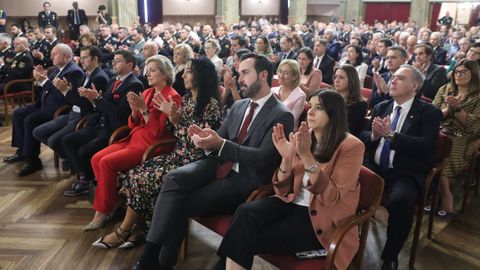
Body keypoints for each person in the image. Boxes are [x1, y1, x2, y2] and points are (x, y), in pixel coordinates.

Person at [132, 53, 294, 270]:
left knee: (180, 204)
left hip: (245, 179)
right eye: (239, 73)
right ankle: (152, 258)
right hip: (218, 165)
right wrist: (204, 138)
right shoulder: (239, 106)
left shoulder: (281, 114)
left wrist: (220, 144)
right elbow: (218, 137)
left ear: (263, 75)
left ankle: (155, 262)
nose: (239, 78)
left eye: (245, 73)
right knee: (173, 179)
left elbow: (264, 158)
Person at [215, 90, 365, 270]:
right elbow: (282, 191)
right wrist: (286, 158)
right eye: (310, 105)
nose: (309, 111)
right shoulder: (303, 136)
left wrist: (306, 156)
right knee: (244, 213)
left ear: (334, 114)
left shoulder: (351, 146)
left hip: (321, 219)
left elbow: (330, 197)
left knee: (245, 236)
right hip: (291, 204)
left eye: (318, 108)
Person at [92, 57, 221, 249]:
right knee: (133, 173)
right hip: (179, 153)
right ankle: (140, 227)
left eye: (189, 71)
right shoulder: (186, 99)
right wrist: (147, 113)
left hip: (194, 159)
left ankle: (123, 231)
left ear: (201, 76)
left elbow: (201, 142)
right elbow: (175, 132)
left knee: (142, 177)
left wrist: (175, 120)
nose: (183, 75)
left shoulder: (210, 104)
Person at [360, 65, 442, 270]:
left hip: (405, 172)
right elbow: (362, 137)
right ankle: (344, 239)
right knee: (345, 181)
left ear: (414, 85)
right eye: (393, 77)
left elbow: (426, 147)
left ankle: (390, 256)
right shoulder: (382, 106)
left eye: (400, 78)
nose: (393, 81)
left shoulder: (429, 112)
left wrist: (391, 136)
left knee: (400, 202)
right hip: (375, 166)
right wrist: (374, 136)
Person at [85, 55, 181, 231]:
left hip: (151, 144)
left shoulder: (172, 96)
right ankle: (113, 200)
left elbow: (158, 132)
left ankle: (103, 211)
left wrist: (144, 110)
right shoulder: (147, 92)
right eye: (147, 70)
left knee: (106, 163)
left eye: (153, 70)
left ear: (165, 74)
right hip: (134, 138)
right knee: (95, 158)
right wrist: (135, 112)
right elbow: (132, 124)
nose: (148, 74)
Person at [61, 50, 144, 198]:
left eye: (118, 61)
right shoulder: (113, 80)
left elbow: (120, 113)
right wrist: (93, 99)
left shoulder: (134, 85)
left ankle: (88, 181)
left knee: (85, 151)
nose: (113, 63)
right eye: (113, 60)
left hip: (116, 130)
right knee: (68, 140)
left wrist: (97, 99)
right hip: (100, 124)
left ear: (130, 65)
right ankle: (84, 177)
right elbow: (102, 105)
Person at [3, 44, 84, 176]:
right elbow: (47, 90)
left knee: (30, 120)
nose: (51, 56)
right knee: (18, 114)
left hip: (58, 108)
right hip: (44, 104)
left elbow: (66, 97)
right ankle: (22, 150)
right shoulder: (56, 70)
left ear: (65, 55)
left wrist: (44, 81)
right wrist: (40, 80)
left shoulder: (73, 72)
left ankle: (33, 160)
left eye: (55, 54)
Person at [32, 46, 109, 171]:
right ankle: (70, 158)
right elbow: (75, 99)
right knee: (38, 131)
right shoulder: (86, 75)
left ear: (95, 59)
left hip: (82, 117)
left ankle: (75, 164)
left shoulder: (99, 77)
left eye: (85, 58)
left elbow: (84, 105)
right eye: (81, 57)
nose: (81, 61)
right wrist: (66, 91)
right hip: (72, 113)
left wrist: (65, 91)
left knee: (54, 140)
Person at [432, 59, 480, 217]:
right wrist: (447, 109)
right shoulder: (445, 89)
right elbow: (432, 116)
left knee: (445, 156)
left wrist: (457, 109)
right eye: (457, 72)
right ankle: (430, 194)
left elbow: (475, 127)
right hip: (440, 130)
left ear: (474, 74)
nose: (459, 75)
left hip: (465, 137)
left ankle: (446, 197)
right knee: (425, 148)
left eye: (464, 72)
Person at [333, 64, 368, 138]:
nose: (336, 80)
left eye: (341, 78)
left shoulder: (360, 105)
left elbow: (351, 130)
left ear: (351, 80)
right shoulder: (329, 97)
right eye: (335, 77)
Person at [272, 59, 306, 130]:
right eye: (280, 71)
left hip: (288, 131)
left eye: (286, 73)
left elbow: (291, 120)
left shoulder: (300, 95)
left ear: (294, 76)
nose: (281, 75)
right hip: (270, 127)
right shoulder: (273, 90)